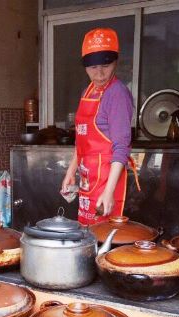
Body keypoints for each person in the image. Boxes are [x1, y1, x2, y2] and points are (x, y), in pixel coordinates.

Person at [61, 27, 136, 225]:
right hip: (88, 180)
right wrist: (71, 172)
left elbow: (122, 147)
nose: (100, 74)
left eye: (106, 65)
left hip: (108, 183)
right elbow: (82, 140)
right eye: (92, 67)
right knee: (87, 235)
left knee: (105, 236)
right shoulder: (88, 91)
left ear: (116, 62)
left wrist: (109, 191)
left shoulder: (117, 94)